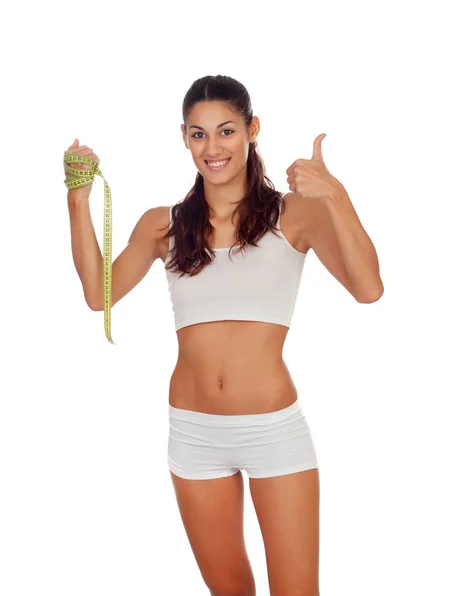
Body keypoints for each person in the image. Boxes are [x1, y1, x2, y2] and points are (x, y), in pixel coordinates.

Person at [65, 74, 383, 596]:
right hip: (194, 433)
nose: (213, 148)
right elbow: (99, 295)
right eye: (198, 134)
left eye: (227, 131)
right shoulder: (161, 225)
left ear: (252, 130)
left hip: (273, 431)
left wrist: (335, 193)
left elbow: (369, 289)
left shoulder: (295, 215)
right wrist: (78, 200)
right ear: (185, 138)